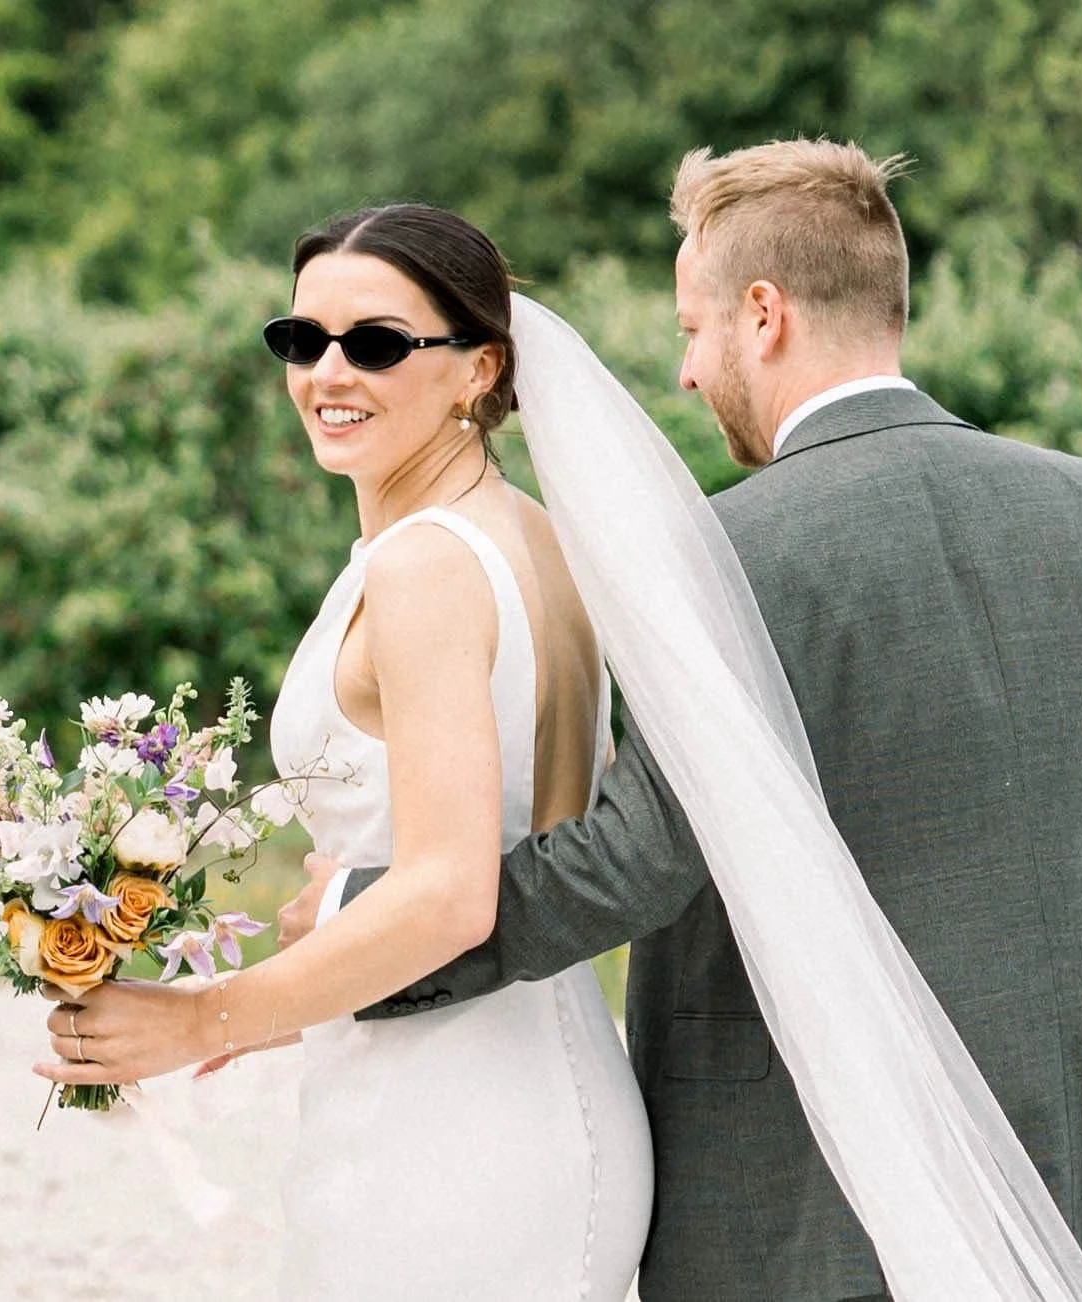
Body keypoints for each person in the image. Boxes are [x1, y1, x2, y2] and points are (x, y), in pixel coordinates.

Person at [276, 140, 1082, 1301]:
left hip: (808, 1185)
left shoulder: (726, 557)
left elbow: (632, 867)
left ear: (763, 317)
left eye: (690, 331)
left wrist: (369, 927)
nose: (689, 376)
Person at [34, 203, 654, 1299]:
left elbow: (451, 898)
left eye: (375, 343)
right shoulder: (543, 536)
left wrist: (200, 1017)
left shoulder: (422, 569)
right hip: (545, 1083)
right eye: (300, 339)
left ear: (479, 369)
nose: (328, 372)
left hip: (445, 1127)